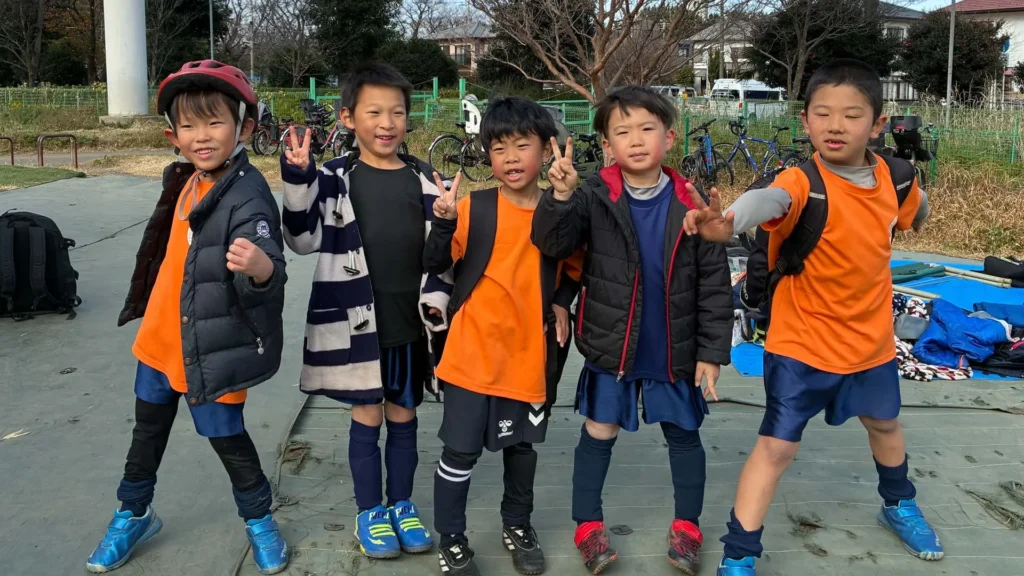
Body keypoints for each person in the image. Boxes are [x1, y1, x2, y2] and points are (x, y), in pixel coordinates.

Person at [679, 59, 939, 576]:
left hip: (870, 345)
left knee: (885, 424)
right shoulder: (802, 182)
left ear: (877, 124)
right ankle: (739, 554)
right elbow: (768, 199)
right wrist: (729, 220)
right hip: (800, 346)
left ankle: (899, 503)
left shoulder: (895, 178)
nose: (835, 126)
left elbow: (916, 210)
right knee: (776, 448)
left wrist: (916, 195)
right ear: (805, 121)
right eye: (822, 113)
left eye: (851, 115)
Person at [85, 60, 289, 575]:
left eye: (215, 122)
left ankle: (260, 520)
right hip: (160, 339)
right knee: (146, 434)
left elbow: (268, 259)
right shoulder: (184, 179)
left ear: (245, 128)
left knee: (228, 439)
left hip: (211, 349)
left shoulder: (248, 194)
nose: (202, 136)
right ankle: (133, 513)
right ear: (172, 136)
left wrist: (261, 269)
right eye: (189, 125)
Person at [531, 86, 733, 575]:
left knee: (684, 434)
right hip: (612, 344)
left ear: (669, 138)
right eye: (623, 132)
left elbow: (714, 283)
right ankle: (587, 524)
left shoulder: (690, 201)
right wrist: (560, 195)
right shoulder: (593, 196)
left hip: (674, 347)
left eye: (647, 129)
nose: (636, 140)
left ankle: (687, 526)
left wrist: (711, 352)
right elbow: (552, 243)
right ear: (606, 144)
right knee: (598, 432)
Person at [280, 63, 448, 560]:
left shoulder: (425, 178)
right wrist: (298, 177)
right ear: (348, 118)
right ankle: (370, 511)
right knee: (367, 416)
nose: (387, 123)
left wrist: (447, 222)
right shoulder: (335, 177)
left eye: (397, 112)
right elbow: (301, 238)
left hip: (410, 326)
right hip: (358, 329)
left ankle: (402, 505)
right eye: (374, 112)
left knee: (405, 415)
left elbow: (442, 256)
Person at [425, 96, 583, 576]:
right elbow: (435, 263)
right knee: (459, 451)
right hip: (470, 353)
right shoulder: (474, 208)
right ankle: (451, 540)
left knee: (521, 448)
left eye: (522, 145)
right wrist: (443, 222)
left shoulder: (563, 211)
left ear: (547, 149)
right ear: (487, 156)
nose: (511, 158)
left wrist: (561, 302)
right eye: (499, 148)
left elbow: (574, 268)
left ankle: (517, 525)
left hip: (528, 355)